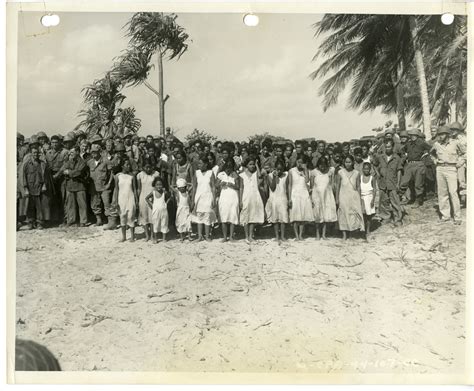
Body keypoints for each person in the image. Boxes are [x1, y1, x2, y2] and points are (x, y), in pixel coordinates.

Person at [430, 125, 464, 224]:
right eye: (439, 134)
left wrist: (460, 162)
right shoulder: (436, 144)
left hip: (451, 168)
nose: (440, 136)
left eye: (443, 134)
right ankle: (445, 216)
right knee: (442, 193)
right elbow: (431, 153)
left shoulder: (455, 143)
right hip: (440, 168)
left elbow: (465, 153)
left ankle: (457, 217)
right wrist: (435, 160)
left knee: (453, 192)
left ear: (447, 134)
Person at [372, 139, 403, 226]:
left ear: (392, 147)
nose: (387, 148)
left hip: (392, 182)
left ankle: (397, 219)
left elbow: (399, 171)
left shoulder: (397, 158)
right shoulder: (380, 157)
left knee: (395, 202)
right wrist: (378, 174)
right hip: (383, 183)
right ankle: (386, 217)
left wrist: (398, 183)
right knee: (383, 201)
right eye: (386, 147)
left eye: (389, 146)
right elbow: (374, 164)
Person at [22, 145, 53, 229]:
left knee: (40, 207)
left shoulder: (43, 164)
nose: (35, 154)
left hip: (40, 188)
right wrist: (25, 188)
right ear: (31, 153)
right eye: (34, 152)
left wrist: (44, 185)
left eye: (37, 153)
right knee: (30, 206)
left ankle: (39, 223)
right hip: (30, 188)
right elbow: (23, 177)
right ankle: (31, 222)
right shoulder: (26, 164)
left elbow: (45, 177)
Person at [55, 147, 88, 227]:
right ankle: (71, 221)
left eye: (72, 152)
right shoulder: (69, 162)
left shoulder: (82, 162)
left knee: (82, 205)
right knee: (70, 205)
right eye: (70, 153)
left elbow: (79, 172)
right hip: (70, 186)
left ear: (77, 152)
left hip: (80, 186)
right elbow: (62, 170)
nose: (70, 154)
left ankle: (83, 221)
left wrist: (69, 172)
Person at [399, 128, 431, 206]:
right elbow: (402, 150)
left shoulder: (422, 143)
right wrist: (405, 155)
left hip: (419, 164)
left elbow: (431, 149)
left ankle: (418, 200)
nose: (412, 137)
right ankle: (401, 198)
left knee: (418, 184)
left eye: (414, 135)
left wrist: (426, 154)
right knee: (405, 182)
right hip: (410, 164)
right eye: (411, 135)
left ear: (417, 136)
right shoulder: (408, 144)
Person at [336, 155, 365, 240]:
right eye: (346, 162)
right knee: (343, 214)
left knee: (353, 214)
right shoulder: (340, 172)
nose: (347, 164)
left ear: (353, 162)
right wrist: (337, 198)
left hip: (353, 196)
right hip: (343, 195)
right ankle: (344, 234)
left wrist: (359, 198)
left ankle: (352, 232)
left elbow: (358, 186)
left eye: (349, 162)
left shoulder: (356, 173)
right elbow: (337, 186)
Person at [310, 156, 337, 240]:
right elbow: (311, 186)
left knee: (325, 215)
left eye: (324, 165)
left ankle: (324, 234)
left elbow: (332, 185)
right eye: (321, 165)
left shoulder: (330, 171)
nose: (323, 167)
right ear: (318, 164)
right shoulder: (314, 172)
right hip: (317, 196)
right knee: (318, 215)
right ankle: (318, 234)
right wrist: (311, 198)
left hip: (327, 196)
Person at [239, 156, 265, 243]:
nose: (252, 166)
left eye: (253, 164)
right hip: (245, 197)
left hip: (254, 197)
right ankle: (246, 236)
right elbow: (241, 188)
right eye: (250, 164)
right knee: (246, 216)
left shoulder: (255, 175)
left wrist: (257, 165)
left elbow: (260, 176)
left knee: (253, 216)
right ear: (246, 165)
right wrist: (240, 200)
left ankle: (250, 236)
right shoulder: (241, 175)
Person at [288, 154, 313, 241]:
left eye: (302, 163)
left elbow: (307, 181)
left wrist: (305, 169)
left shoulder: (306, 171)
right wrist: (289, 198)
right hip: (295, 194)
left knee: (302, 216)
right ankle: (296, 235)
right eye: (298, 162)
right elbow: (290, 185)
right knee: (295, 216)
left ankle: (301, 235)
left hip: (303, 194)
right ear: (296, 161)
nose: (299, 164)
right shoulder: (291, 171)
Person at [191, 156, 217, 241]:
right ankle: (199, 236)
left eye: (200, 163)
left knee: (207, 216)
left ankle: (207, 236)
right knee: (199, 216)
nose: (199, 165)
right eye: (198, 163)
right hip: (199, 197)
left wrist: (214, 198)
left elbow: (213, 187)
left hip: (208, 196)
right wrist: (193, 199)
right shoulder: (197, 173)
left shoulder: (210, 172)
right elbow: (194, 187)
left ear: (206, 164)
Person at [265, 158, 289, 243]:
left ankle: (282, 236)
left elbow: (288, 187)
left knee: (283, 218)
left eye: (281, 169)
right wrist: (275, 177)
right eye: (277, 169)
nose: (279, 171)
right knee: (275, 219)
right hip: (274, 198)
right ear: (275, 168)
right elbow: (272, 188)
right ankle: (277, 236)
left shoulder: (286, 174)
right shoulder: (270, 176)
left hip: (283, 198)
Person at [114, 159, 138, 242]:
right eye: (127, 165)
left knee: (131, 216)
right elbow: (116, 189)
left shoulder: (132, 176)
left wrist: (136, 200)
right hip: (121, 199)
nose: (129, 166)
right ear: (122, 166)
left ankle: (132, 236)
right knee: (122, 216)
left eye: (129, 165)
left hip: (130, 198)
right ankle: (123, 236)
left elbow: (134, 189)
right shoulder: (118, 176)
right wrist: (116, 201)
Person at [216, 160, 240, 242]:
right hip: (224, 198)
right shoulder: (221, 174)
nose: (228, 169)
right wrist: (220, 184)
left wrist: (232, 185)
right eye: (227, 167)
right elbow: (215, 185)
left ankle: (231, 237)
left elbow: (238, 187)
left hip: (233, 198)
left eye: (230, 167)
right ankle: (225, 237)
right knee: (224, 217)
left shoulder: (235, 174)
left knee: (233, 217)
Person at [137, 161, 160, 241]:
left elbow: (158, 186)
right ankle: (147, 235)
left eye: (149, 167)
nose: (148, 169)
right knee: (144, 217)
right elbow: (139, 188)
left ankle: (153, 235)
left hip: (153, 197)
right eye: (146, 167)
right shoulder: (140, 175)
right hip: (143, 197)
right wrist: (137, 199)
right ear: (143, 168)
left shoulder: (156, 174)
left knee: (152, 216)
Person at [146, 176, 170, 243]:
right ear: (154, 185)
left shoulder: (164, 192)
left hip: (164, 210)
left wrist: (166, 204)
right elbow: (146, 198)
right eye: (157, 185)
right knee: (155, 223)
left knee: (164, 223)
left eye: (160, 185)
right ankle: (155, 238)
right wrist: (152, 205)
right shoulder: (153, 192)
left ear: (162, 185)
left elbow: (169, 197)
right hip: (155, 210)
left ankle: (164, 238)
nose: (159, 186)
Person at [360, 162, 376, 240]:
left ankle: (368, 230)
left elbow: (375, 189)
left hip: (369, 198)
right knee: (363, 215)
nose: (366, 170)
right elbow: (359, 189)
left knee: (369, 216)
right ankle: (362, 229)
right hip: (362, 198)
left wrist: (373, 200)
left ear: (370, 170)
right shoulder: (360, 177)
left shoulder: (372, 178)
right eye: (365, 169)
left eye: (368, 169)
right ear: (362, 169)